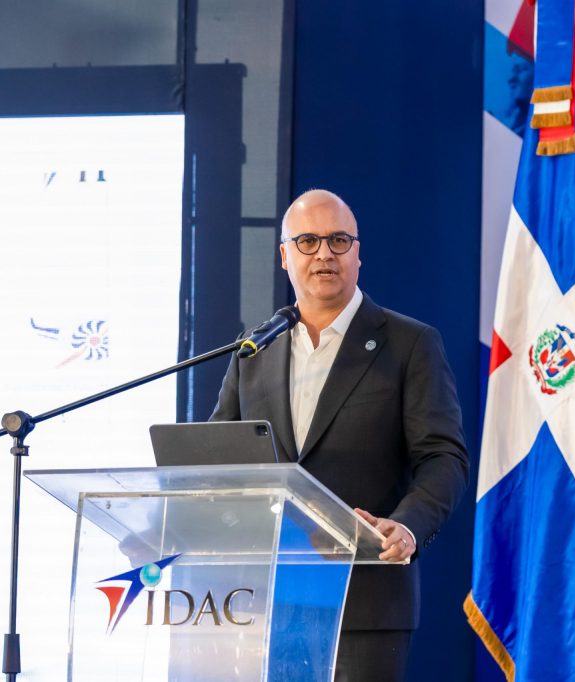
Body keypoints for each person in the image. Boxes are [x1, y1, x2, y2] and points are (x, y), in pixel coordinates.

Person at [210, 189, 469, 682]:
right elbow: (217, 459)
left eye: (338, 240)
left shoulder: (409, 344)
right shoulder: (254, 350)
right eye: (307, 241)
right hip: (262, 602)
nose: (324, 254)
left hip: (364, 600)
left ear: (358, 253)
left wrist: (407, 526)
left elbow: (443, 457)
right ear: (284, 255)